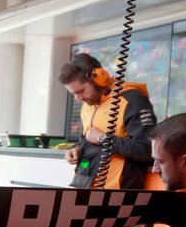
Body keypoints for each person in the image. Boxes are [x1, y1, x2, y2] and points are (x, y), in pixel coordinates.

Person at [58, 53, 156, 190]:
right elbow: (89, 136)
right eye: (73, 93)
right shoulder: (88, 106)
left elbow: (147, 149)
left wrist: (102, 138)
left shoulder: (131, 100)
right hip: (87, 187)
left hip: (121, 192)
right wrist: (77, 149)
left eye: (81, 91)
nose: (78, 99)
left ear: (99, 79)